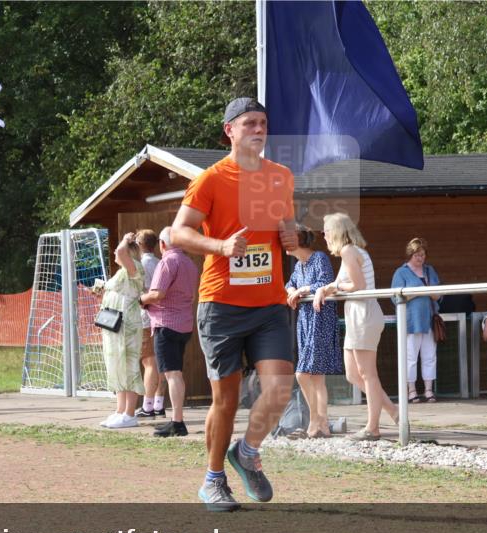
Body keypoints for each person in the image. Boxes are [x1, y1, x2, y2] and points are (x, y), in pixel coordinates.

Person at [170, 96, 297, 511]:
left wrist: (292, 237)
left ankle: (247, 451)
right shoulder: (210, 179)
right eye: (249, 124)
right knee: (226, 399)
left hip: (269, 302)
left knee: (279, 389)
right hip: (222, 303)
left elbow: (286, 226)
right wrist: (221, 246)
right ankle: (212, 480)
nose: (258, 130)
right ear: (230, 130)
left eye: (263, 123)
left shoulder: (280, 176)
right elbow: (179, 233)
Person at [314, 212, 397, 441]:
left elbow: (357, 285)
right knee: (352, 374)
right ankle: (393, 411)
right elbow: (347, 281)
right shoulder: (349, 252)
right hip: (357, 315)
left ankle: (373, 428)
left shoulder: (349, 251)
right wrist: (327, 288)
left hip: (364, 313)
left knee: (368, 374)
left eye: (326, 231)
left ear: (336, 232)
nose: (325, 236)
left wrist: (334, 289)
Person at [140, 227, 199, 437]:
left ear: (163, 244)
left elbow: (157, 294)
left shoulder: (167, 261)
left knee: (172, 374)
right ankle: (177, 419)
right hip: (184, 324)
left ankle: (177, 422)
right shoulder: (190, 264)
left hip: (166, 323)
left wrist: (141, 299)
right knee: (176, 373)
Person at [285, 225, 342, 438]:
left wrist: (302, 290)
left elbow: (325, 282)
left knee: (302, 373)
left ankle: (315, 419)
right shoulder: (299, 266)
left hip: (320, 320)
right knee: (316, 377)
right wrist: (292, 289)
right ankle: (323, 424)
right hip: (306, 321)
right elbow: (289, 283)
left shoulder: (319, 258)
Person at [97, 232, 145, 428]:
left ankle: (130, 413)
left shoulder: (134, 268)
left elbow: (120, 251)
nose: (116, 253)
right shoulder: (121, 272)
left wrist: (126, 239)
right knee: (116, 365)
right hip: (114, 324)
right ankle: (120, 410)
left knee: (129, 365)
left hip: (128, 325)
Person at [391, 238, 441, 403]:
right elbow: (395, 298)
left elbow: (438, 294)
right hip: (411, 321)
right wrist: (420, 291)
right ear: (410, 255)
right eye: (417, 255)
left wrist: (425, 291)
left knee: (430, 356)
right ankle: (411, 391)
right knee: (410, 357)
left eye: (422, 255)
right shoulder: (401, 272)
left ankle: (428, 390)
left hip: (428, 320)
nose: (420, 258)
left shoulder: (429, 270)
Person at [135, 228, 167, 418]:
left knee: (149, 363)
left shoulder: (142, 264)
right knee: (160, 363)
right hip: (162, 317)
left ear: (139, 244)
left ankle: (147, 405)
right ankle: (158, 403)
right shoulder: (159, 262)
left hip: (146, 317)